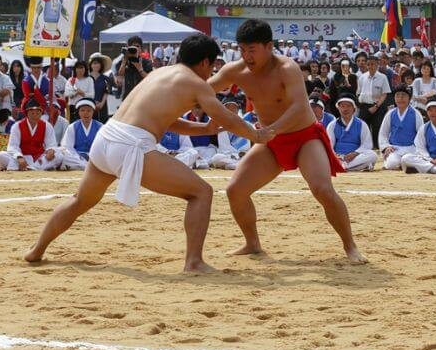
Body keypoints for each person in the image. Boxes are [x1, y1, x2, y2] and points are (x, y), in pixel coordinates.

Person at [27, 34, 272, 272]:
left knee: (79, 200)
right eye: (212, 67)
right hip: (131, 146)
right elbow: (226, 117)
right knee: (201, 192)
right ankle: (194, 262)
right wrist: (256, 136)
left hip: (106, 139)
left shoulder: (159, 73)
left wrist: (203, 128)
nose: (211, 74)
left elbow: (164, 120)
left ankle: (37, 249)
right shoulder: (196, 84)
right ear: (205, 62)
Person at [208, 20, 365, 263]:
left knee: (322, 189)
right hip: (271, 141)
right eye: (242, 50)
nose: (246, 56)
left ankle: (350, 246)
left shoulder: (287, 68)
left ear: (269, 46)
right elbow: (203, 90)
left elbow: (298, 106)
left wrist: (270, 130)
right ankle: (252, 243)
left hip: (304, 137)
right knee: (235, 191)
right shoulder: (235, 71)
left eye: (252, 50)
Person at [0, 98, 62, 171]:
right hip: (23, 157)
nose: (35, 116)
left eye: (38, 113)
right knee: (0, 155)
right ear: (27, 113)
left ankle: (31, 167)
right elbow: (12, 146)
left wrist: (51, 150)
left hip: (39, 157)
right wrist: (19, 157)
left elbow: (51, 143)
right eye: (32, 113)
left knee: (59, 155)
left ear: (41, 113)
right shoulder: (17, 126)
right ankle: (37, 167)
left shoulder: (47, 126)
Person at [326, 93, 378, 172]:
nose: (345, 109)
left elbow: (367, 144)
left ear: (354, 108)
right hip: (338, 157)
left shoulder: (362, 124)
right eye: (342, 106)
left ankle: (344, 167)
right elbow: (329, 145)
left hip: (355, 157)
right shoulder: (332, 125)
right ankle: (353, 167)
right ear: (338, 108)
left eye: (348, 106)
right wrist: (335, 156)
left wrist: (355, 153)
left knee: (372, 155)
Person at [379, 84, 423, 170]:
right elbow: (383, 133)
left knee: (409, 160)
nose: (400, 98)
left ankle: (405, 164)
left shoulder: (416, 114)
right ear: (394, 98)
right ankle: (401, 164)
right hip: (395, 148)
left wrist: (419, 150)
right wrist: (386, 147)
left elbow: (421, 135)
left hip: (411, 149)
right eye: (397, 96)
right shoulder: (390, 114)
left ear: (409, 98)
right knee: (392, 164)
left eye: (403, 96)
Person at [356, 55, 391, 148]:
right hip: (364, 106)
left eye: (372, 64)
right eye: (368, 64)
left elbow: (384, 94)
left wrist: (376, 106)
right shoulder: (362, 77)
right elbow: (358, 92)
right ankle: (364, 147)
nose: (370, 66)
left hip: (378, 106)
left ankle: (378, 147)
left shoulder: (383, 77)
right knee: (363, 128)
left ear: (377, 65)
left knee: (377, 128)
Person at [59, 98, 103, 171]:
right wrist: (79, 157)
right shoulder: (72, 127)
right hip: (77, 157)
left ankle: (84, 166)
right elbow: (67, 147)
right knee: (61, 153)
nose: (85, 113)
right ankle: (87, 167)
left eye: (89, 110)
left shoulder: (100, 126)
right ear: (78, 112)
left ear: (93, 112)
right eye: (82, 110)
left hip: (94, 157)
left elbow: (103, 147)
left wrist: (91, 156)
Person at [89, 55, 114, 123]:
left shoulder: (106, 78)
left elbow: (106, 92)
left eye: (98, 63)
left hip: (102, 106)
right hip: (88, 105)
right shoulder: (86, 78)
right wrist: (92, 102)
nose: (96, 65)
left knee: (101, 125)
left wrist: (101, 103)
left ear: (101, 65)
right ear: (91, 65)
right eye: (94, 63)